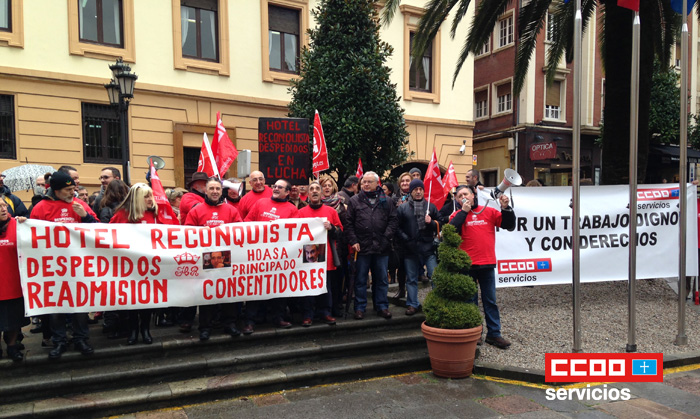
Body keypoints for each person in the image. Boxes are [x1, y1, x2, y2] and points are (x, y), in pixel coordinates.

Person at [31, 171, 98, 360]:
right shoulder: (41, 208)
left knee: (80, 306)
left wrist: (85, 216)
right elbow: (32, 237)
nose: (73, 191)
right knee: (56, 307)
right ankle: (59, 341)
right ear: (56, 190)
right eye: (68, 189)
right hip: (52, 268)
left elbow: (100, 231)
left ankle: (81, 339)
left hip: (78, 267)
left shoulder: (80, 205)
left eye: (73, 188)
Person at [449, 185, 516, 349]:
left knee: (490, 300)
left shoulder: (488, 212)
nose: (463, 197)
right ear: (457, 200)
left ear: (473, 195)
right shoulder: (457, 215)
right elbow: (451, 230)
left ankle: (494, 334)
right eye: (459, 196)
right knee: (470, 301)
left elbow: (509, 225)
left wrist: (506, 208)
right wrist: (464, 212)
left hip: (486, 263)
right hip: (467, 265)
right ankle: (474, 332)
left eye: (466, 194)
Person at [110, 183, 178, 345]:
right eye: (146, 196)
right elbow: (109, 236)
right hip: (130, 266)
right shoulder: (121, 215)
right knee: (133, 300)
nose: (150, 199)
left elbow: (171, 233)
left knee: (148, 301)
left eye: (151, 196)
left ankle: (145, 330)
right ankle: (133, 331)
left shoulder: (156, 214)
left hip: (152, 265)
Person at [185, 177, 243, 340]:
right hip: (205, 257)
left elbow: (240, 230)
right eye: (212, 189)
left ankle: (230, 324)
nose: (215, 191)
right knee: (207, 293)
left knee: (228, 292)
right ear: (206, 190)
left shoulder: (231, 210)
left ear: (221, 191)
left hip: (227, 257)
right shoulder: (196, 210)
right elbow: (188, 233)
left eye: (218, 189)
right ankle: (205, 327)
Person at [243, 179, 299, 334]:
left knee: (279, 288)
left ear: (287, 192)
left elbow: (296, 232)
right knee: (255, 289)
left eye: (280, 187)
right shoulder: (260, 203)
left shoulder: (292, 209)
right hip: (258, 256)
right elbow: (247, 224)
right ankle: (250, 321)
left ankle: (278, 317)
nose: (276, 189)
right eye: (275, 186)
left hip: (280, 257)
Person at [345, 171, 397, 320]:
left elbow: (393, 221)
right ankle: (360, 307)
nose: (366, 184)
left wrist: (386, 237)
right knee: (360, 279)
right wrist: (353, 240)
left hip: (382, 246)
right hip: (361, 247)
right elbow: (348, 224)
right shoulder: (355, 200)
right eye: (364, 182)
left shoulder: (387, 201)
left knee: (381, 279)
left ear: (377, 183)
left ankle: (382, 306)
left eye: (369, 182)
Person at [298, 181, 342, 327]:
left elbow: (340, 233)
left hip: (326, 257)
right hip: (307, 256)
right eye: (312, 189)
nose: (315, 191)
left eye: (317, 189)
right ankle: (308, 315)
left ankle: (326, 313)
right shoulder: (300, 213)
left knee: (326, 287)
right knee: (308, 287)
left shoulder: (331, 212)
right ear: (308, 194)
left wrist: (332, 228)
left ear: (322, 193)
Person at [395, 179, 439, 315]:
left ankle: (437, 303)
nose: (418, 192)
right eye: (415, 190)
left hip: (428, 248)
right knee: (412, 278)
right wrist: (406, 240)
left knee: (435, 276)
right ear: (411, 191)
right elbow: (397, 227)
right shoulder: (403, 208)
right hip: (410, 249)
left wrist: (431, 222)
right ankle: (412, 304)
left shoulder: (430, 207)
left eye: (420, 189)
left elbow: (440, 223)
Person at [0, 200, 28, 362]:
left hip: (13, 283)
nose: (4, 209)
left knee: (13, 319)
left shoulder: (17, 225)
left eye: (4, 205)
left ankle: (12, 346)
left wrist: (27, 224)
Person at [319, 175, 349, 317]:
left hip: (338, 248)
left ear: (333, 188)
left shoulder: (342, 206)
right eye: (323, 185)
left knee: (337, 280)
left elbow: (344, 228)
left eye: (329, 185)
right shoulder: (312, 204)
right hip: (319, 249)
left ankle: (336, 306)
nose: (326, 188)